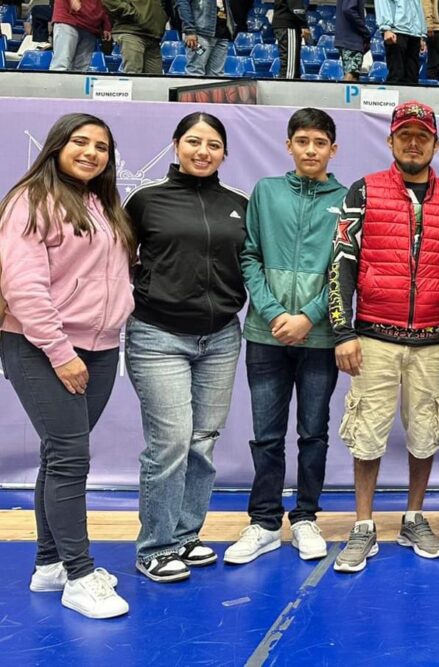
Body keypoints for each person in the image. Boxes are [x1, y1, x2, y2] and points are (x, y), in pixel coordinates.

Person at [0, 113, 134, 619]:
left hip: (101, 347)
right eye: (80, 142)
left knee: (59, 456)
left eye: (101, 146)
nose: (91, 153)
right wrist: (60, 352)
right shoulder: (31, 200)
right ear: (56, 146)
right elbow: (24, 286)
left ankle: (49, 564)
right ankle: (79, 575)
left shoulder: (102, 204)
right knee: (71, 459)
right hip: (42, 347)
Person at [328, 102, 439, 573]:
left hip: (432, 338)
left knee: (426, 432)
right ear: (390, 140)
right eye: (404, 135)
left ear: (435, 144)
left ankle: (413, 518)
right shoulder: (364, 190)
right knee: (367, 434)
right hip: (373, 337)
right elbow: (340, 262)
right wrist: (343, 330)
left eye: (422, 136)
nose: (413, 143)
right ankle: (363, 525)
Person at [122, 113, 248, 583]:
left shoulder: (239, 203)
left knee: (201, 441)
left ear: (224, 153)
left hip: (221, 338)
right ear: (176, 145)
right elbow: (118, 259)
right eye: (193, 141)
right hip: (158, 336)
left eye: (213, 144)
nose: (203, 151)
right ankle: (155, 547)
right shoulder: (145, 200)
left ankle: (185, 534)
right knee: (171, 442)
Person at [225, 108, 347, 565]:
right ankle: (263, 522)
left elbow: (345, 268)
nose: (310, 150)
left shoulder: (348, 199)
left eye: (320, 142)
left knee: (313, 433)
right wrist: (275, 313)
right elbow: (250, 256)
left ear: (333, 149)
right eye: (302, 141)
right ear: (288, 145)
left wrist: (310, 317)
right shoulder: (266, 191)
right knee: (267, 435)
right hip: (266, 335)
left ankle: (306, 518)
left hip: (320, 339)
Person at [101, 0, 168, 74]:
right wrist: (132, 13)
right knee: (133, 75)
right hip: (132, 32)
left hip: (153, 36)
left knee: (156, 79)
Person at [177, 0, 236, 76]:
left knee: (216, 75)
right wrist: (189, 30)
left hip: (222, 34)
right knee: (196, 71)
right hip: (200, 35)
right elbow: (183, 3)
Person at [49, 0, 111, 72]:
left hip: (91, 26)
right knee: (61, 66)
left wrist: (106, 24)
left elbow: (103, 4)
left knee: (82, 69)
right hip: (68, 18)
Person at [377, 0, 427, 84]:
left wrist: (422, 33)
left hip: (415, 33)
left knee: (413, 77)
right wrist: (386, 28)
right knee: (396, 74)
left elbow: (418, 5)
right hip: (396, 31)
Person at [273, 0, 310, 79]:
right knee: (289, 70)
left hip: (284, 24)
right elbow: (296, 7)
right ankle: (285, 87)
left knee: (290, 67)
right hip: (288, 25)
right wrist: (304, 25)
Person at [337, 0, 372, 82]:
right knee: (351, 74)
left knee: (354, 76)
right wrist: (364, 30)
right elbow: (348, 9)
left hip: (347, 38)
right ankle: (343, 91)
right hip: (352, 39)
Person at [421, 0, 439, 80]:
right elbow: (426, 3)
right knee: (434, 65)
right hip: (436, 29)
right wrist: (429, 24)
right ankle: (432, 86)